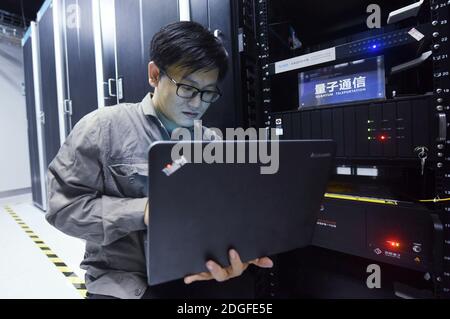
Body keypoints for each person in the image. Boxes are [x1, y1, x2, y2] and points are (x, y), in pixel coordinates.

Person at [46, 21, 273, 299]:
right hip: (123, 282)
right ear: (155, 74)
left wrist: (236, 253)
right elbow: (62, 210)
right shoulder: (102, 128)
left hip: (196, 272)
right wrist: (143, 211)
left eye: (208, 93)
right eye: (188, 89)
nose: (197, 104)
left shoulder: (213, 143)